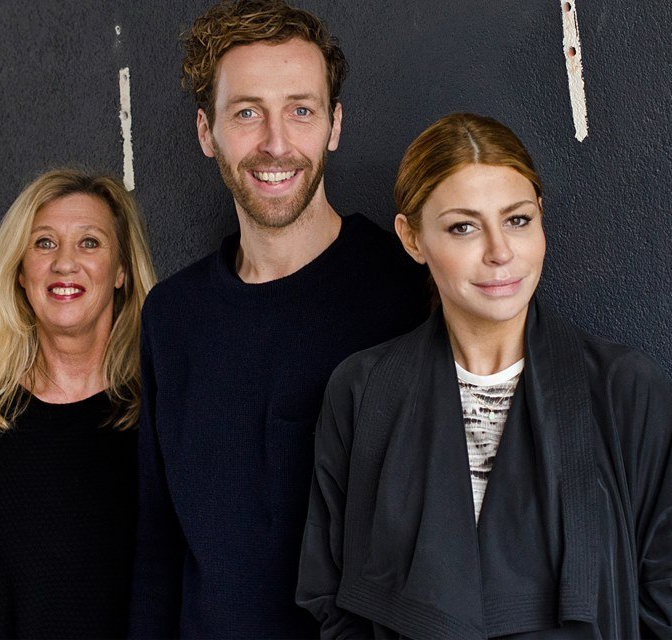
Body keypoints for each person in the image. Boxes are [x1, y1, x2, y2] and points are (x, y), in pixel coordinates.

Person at [296, 112, 672, 639]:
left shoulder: (625, 391)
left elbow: (666, 597)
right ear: (412, 238)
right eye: (463, 227)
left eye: (517, 220)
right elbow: (330, 594)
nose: (500, 252)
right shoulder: (362, 393)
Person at [129, 1, 429, 637]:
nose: (275, 143)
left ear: (334, 125)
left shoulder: (406, 292)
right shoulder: (173, 318)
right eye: (247, 113)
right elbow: (157, 544)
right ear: (206, 131)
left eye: (300, 110)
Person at [0, 169, 157, 639]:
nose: (65, 263)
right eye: (45, 243)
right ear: (21, 272)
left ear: (121, 271)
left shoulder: (161, 415)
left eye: (89, 243)